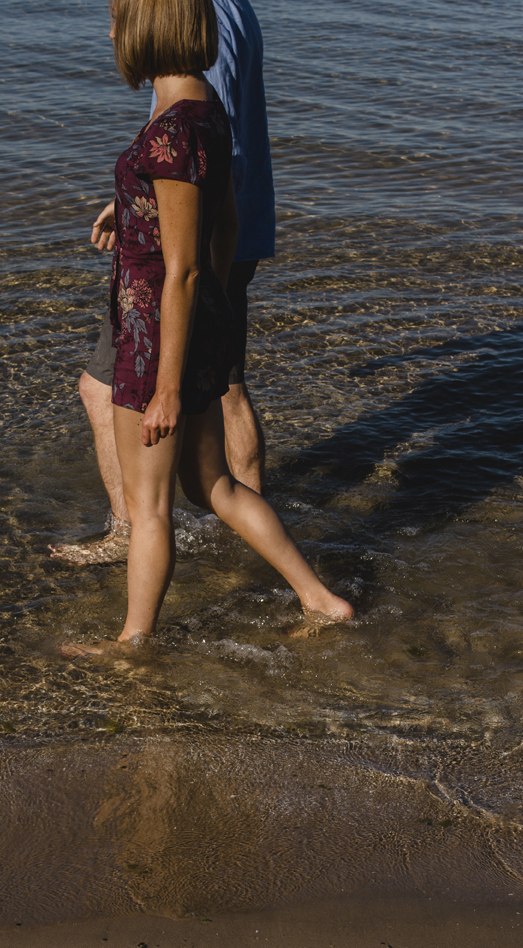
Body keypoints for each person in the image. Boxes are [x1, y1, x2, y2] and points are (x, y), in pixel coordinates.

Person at [63, 0, 350, 652]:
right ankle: (319, 597)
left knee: (152, 507)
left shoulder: (166, 134)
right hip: (196, 327)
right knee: (212, 485)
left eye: (116, 19)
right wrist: (211, 314)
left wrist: (167, 384)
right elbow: (220, 227)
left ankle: (133, 642)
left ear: (148, 32)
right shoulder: (206, 118)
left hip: (154, 342)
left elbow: (183, 268)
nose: (109, 31)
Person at [51, 0, 273, 566]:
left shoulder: (186, 15)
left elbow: (190, 153)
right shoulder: (230, 5)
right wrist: (134, 198)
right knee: (226, 398)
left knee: (104, 390)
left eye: (115, 19)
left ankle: (133, 537)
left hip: (177, 264)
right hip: (217, 232)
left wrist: (153, 198)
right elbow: (201, 155)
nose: (111, 29)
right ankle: (247, 536)